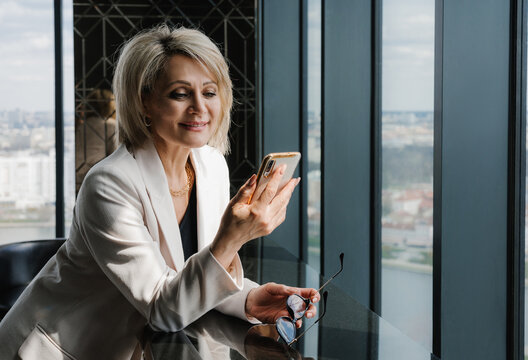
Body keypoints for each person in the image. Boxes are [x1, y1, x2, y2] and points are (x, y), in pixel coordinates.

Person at [0, 25, 319, 359]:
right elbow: (163, 309)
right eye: (180, 94)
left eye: (209, 92)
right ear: (145, 103)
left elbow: (187, 276)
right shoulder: (109, 184)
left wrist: (248, 299)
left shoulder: (211, 166)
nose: (199, 107)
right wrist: (234, 237)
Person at [75, 88, 118, 192]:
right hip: (96, 183)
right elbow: (116, 158)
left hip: (75, 182)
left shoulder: (80, 127)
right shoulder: (111, 126)